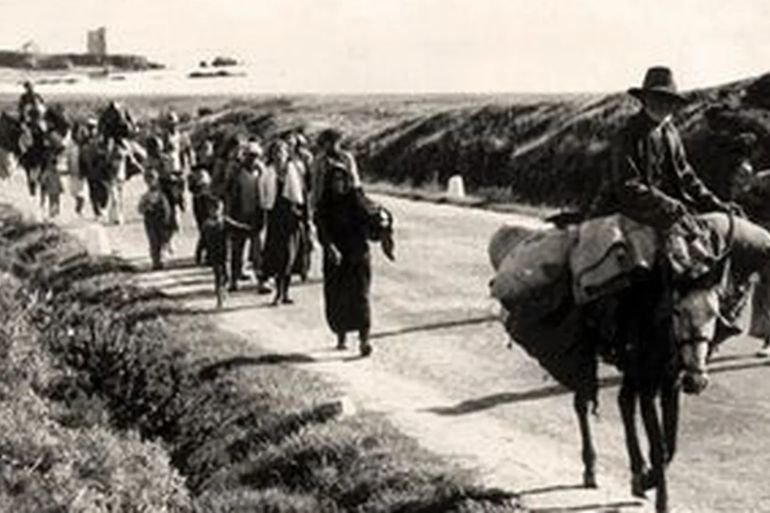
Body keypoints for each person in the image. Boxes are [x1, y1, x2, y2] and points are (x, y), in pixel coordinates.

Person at [589, 66, 739, 388]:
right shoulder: (627, 134)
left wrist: (716, 204)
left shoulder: (670, 133)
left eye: (669, 101)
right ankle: (617, 337)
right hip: (626, 210)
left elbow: (686, 177)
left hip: (665, 214)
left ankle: (700, 329)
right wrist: (670, 207)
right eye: (659, 99)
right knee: (635, 272)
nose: (664, 106)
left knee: (703, 258)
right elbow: (627, 186)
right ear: (645, 100)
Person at [315, 164, 395, 356]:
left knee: (360, 296)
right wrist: (329, 248)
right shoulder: (325, 204)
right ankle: (341, 335)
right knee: (337, 296)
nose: (338, 184)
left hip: (357, 254)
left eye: (342, 180)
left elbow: (377, 218)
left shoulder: (357, 200)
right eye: (334, 180)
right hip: (335, 257)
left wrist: (385, 235)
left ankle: (364, 340)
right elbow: (322, 229)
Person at [261, 139, 309, 305]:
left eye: (281, 151)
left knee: (290, 255)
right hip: (275, 217)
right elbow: (263, 196)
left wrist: (304, 217)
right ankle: (278, 293)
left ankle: (285, 292)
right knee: (277, 256)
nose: (278, 155)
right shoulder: (267, 173)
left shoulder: (295, 171)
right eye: (275, 152)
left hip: (292, 217)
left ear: (287, 153)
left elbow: (303, 195)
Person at [225, 141, 271, 293]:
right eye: (249, 156)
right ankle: (233, 279)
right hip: (239, 215)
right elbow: (229, 193)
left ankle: (261, 281)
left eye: (255, 156)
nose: (252, 159)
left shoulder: (261, 172)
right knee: (237, 249)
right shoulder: (236, 172)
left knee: (258, 250)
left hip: (256, 215)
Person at [310, 128, 361, 210]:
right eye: (330, 142)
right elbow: (316, 181)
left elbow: (353, 177)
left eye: (336, 142)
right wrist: (315, 201)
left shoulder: (346, 157)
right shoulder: (320, 160)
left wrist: (357, 194)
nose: (333, 145)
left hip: (345, 196)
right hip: (326, 199)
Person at [138, 169, 173, 270]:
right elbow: (140, 209)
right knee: (153, 241)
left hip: (161, 220)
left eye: (152, 179)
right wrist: (146, 207)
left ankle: (162, 259)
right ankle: (156, 261)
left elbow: (167, 208)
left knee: (163, 240)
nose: (150, 182)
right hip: (150, 221)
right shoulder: (145, 195)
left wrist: (167, 218)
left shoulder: (162, 194)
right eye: (147, 180)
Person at [79, 118, 109, 219]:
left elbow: (105, 152)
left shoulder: (101, 138)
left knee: (104, 189)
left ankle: (103, 207)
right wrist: (82, 170)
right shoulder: (84, 140)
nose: (91, 129)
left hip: (100, 169)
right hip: (90, 170)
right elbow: (81, 156)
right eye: (89, 127)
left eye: (93, 127)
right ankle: (97, 211)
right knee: (93, 191)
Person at [188, 162, 214, 265]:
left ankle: (206, 255)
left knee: (205, 233)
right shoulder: (202, 175)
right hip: (203, 206)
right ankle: (206, 256)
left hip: (203, 206)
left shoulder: (196, 176)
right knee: (206, 233)